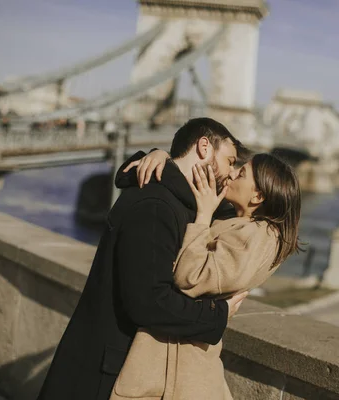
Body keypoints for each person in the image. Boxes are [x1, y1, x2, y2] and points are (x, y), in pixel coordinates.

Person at [37, 118, 249, 400]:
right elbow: (149, 302)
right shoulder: (156, 207)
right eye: (229, 160)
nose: (231, 172)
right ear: (204, 147)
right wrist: (217, 315)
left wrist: (161, 155)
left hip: (117, 365)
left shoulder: (180, 203)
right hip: (105, 373)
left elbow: (230, 213)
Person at [110, 149, 302, 400]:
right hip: (179, 359)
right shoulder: (241, 224)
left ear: (257, 195)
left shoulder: (255, 239)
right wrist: (164, 157)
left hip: (180, 369)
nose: (232, 174)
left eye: (241, 173)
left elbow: (191, 278)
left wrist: (202, 217)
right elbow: (193, 187)